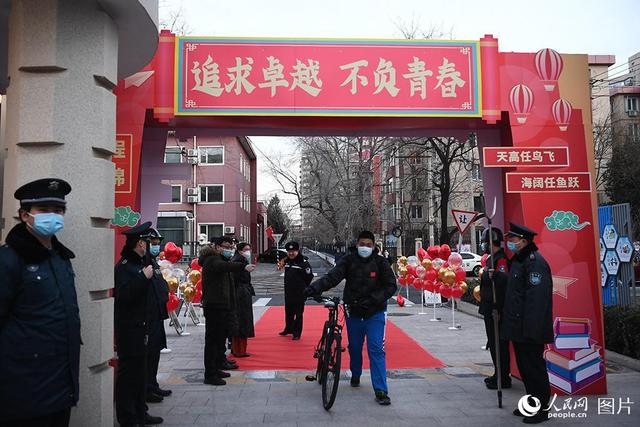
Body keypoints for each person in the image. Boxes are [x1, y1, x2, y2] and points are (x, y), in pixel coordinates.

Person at [0, 178, 80, 427]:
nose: (52, 217)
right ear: (25, 215)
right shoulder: (9, 259)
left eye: (58, 211)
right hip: (24, 389)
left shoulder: (60, 257)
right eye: (44, 211)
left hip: (60, 383)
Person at [304, 230, 397, 405]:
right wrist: (314, 288)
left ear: (374, 246)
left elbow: (391, 286)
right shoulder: (349, 260)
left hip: (374, 313)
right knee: (354, 347)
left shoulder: (380, 262)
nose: (365, 247)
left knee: (376, 349)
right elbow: (332, 277)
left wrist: (373, 300)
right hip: (353, 312)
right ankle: (356, 373)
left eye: (369, 245)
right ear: (357, 244)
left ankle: (381, 390)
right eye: (362, 244)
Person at [502, 223, 553, 424]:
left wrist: (531, 330)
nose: (510, 243)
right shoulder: (520, 261)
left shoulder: (535, 263)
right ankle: (531, 404)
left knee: (534, 369)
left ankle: (542, 409)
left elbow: (536, 301)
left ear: (523, 241)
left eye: (513, 240)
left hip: (530, 329)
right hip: (519, 327)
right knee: (525, 369)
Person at [113, 221, 163, 426]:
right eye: (147, 242)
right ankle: (128, 416)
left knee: (140, 374)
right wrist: (143, 277)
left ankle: (141, 412)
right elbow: (124, 295)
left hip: (144, 327)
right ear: (140, 244)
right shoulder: (125, 266)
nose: (150, 245)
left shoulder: (142, 264)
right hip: (130, 330)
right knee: (129, 376)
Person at [200, 236, 255, 385]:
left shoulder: (221, 259)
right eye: (226, 246)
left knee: (219, 339)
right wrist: (242, 266)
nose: (229, 249)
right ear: (217, 247)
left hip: (223, 305)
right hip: (214, 306)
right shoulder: (212, 260)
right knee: (212, 341)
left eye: (231, 247)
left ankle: (217, 366)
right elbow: (223, 267)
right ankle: (210, 374)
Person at [478, 227, 511, 390]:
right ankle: (497, 373)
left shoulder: (501, 260)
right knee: (493, 342)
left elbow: (503, 284)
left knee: (499, 345)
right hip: (488, 307)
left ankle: (503, 377)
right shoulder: (492, 258)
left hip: (496, 309)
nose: (483, 245)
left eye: (485, 242)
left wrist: (498, 308)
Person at [145, 227, 172, 402]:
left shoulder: (153, 261)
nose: (156, 246)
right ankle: (147, 389)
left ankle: (153, 385)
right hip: (147, 316)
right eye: (152, 243)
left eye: (157, 243)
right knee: (147, 356)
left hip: (157, 314)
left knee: (155, 353)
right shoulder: (142, 263)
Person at [280, 241, 314, 340]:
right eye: (289, 251)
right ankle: (288, 329)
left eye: (293, 251)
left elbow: (309, 276)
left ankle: (297, 333)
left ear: (297, 251)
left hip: (299, 293)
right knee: (288, 312)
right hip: (288, 292)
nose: (291, 253)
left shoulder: (303, 262)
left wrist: (303, 287)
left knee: (298, 314)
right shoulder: (287, 261)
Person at [230, 242, 256, 357]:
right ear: (240, 250)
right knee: (241, 321)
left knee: (241, 321)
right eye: (246, 249)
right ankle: (239, 350)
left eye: (249, 249)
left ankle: (239, 349)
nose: (248, 252)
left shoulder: (240, 260)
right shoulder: (238, 261)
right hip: (240, 294)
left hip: (242, 292)